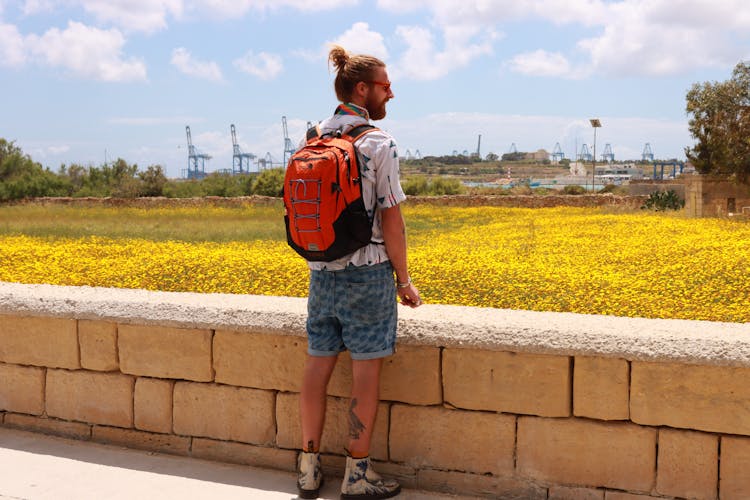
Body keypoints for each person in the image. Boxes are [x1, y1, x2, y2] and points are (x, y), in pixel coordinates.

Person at [296, 45, 422, 500]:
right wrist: (403, 281)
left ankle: (308, 471)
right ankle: (357, 476)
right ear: (362, 89)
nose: (392, 93)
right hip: (368, 275)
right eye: (386, 86)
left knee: (317, 368)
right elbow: (392, 217)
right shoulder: (378, 143)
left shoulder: (312, 137)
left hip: (320, 274)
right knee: (365, 375)